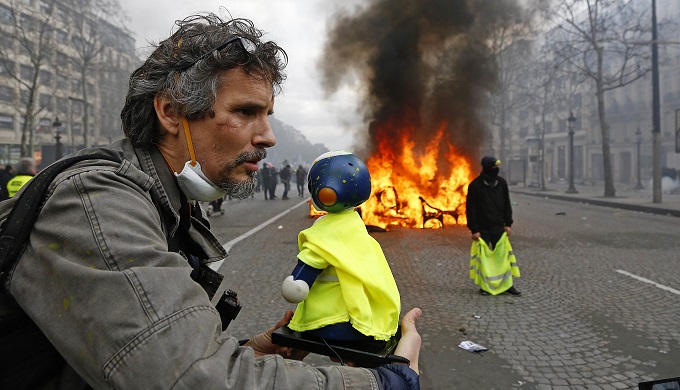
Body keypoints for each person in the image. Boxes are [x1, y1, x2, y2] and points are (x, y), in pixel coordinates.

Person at [0, 13, 422, 389]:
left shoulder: (167, 201)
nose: (268, 136)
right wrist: (382, 382)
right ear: (170, 112)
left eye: (268, 115)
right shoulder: (96, 202)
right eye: (245, 112)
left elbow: (159, 355)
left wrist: (250, 351)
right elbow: (189, 378)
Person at [281, 151, 400, 344]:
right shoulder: (357, 226)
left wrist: (295, 284)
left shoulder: (324, 235)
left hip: (330, 321)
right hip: (361, 317)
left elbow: (299, 284)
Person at [466, 156, 521, 296]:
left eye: (498, 167)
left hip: (499, 227)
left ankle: (507, 285)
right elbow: (470, 209)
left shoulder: (501, 183)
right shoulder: (475, 186)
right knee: (484, 260)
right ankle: (485, 287)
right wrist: (474, 229)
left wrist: (508, 224)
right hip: (483, 229)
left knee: (503, 258)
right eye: (494, 167)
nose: (497, 170)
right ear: (486, 168)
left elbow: (507, 204)